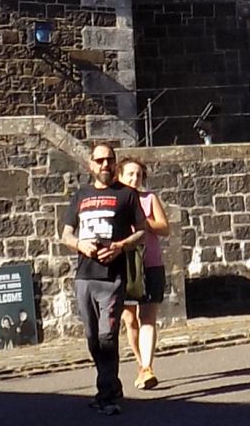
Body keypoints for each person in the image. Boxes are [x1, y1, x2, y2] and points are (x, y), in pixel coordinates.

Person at [60, 142, 147, 415]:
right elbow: (65, 234)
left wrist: (121, 246)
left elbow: (142, 231)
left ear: (115, 163)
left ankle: (106, 394)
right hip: (84, 276)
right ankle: (112, 383)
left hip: (112, 277)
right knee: (92, 338)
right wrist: (80, 246)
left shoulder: (127, 195)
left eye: (109, 160)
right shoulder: (81, 196)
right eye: (99, 161)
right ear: (91, 166)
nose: (105, 165)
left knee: (107, 335)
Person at [118, 158, 171, 389]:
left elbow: (165, 228)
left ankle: (148, 367)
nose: (134, 178)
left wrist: (144, 222)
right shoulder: (116, 201)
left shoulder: (149, 199)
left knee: (148, 317)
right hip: (124, 266)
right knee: (129, 319)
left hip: (150, 264)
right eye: (130, 174)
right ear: (120, 176)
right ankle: (141, 364)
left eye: (138, 175)